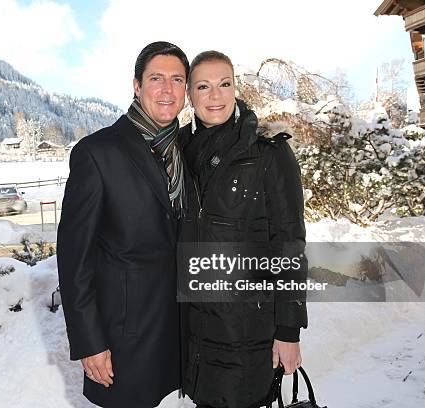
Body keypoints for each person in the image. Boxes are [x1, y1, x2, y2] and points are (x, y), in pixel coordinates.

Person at [57, 41, 190, 408]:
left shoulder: (187, 149)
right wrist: (90, 342)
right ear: (136, 85)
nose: (167, 89)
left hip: (182, 334)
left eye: (177, 79)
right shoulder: (97, 153)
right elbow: (74, 259)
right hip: (125, 338)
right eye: (156, 78)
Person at [179, 51, 308, 408]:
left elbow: (290, 245)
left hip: (248, 333)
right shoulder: (179, 154)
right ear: (190, 95)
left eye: (224, 84)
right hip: (196, 334)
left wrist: (288, 331)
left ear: (236, 88)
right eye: (203, 86)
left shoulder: (269, 155)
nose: (215, 96)